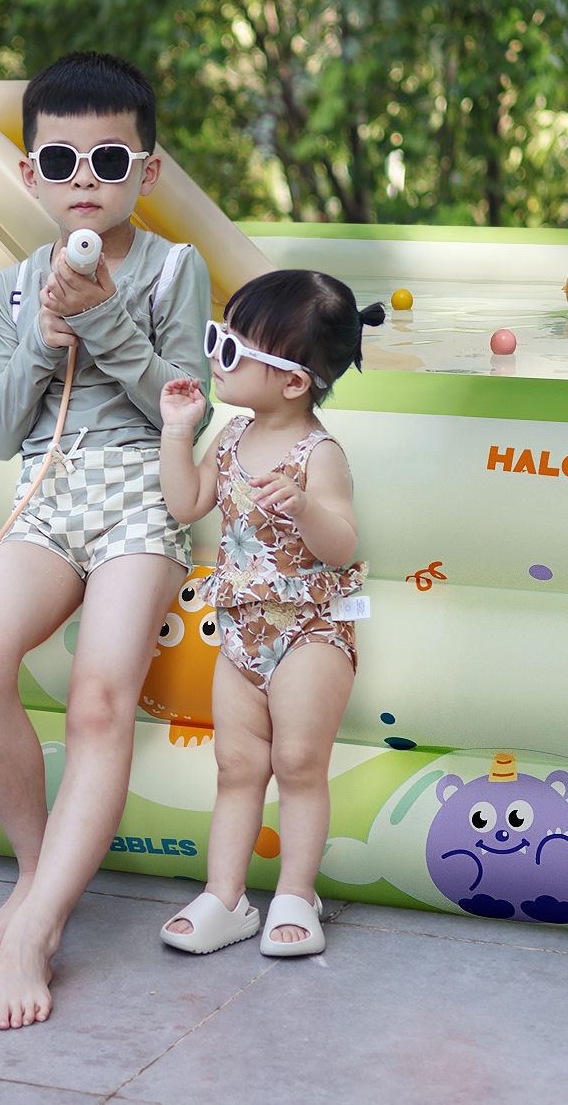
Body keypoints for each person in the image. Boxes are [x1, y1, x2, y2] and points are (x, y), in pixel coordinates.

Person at [0, 51, 212, 1028]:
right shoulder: (13, 287)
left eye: (110, 159)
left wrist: (104, 323)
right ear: (32, 174)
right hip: (48, 495)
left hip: (142, 495)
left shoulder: (176, 270)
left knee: (100, 697)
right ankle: (36, 871)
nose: (85, 181)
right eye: (62, 162)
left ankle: (37, 931)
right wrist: (39, 342)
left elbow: (182, 408)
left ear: (148, 169)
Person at [157, 270, 384, 957]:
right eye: (217, 339)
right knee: (235, 764)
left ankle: (295, 894)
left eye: (231, 349)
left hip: (309, 631)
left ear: (292, 382)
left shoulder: (320, 454)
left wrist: (306, 506)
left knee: (298, 760)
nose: (216, 357)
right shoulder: (230, 435)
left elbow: (342, 543)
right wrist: (177, 433)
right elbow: (186, 503)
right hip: (241, 632)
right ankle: (225, 897)